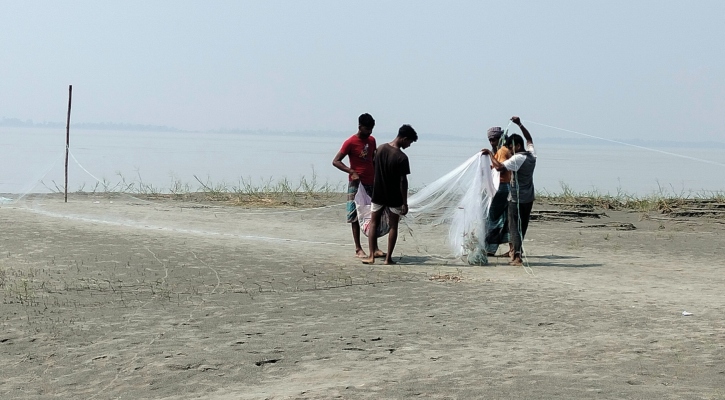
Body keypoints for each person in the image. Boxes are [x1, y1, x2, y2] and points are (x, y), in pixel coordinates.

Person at [481, 116, 536, 266]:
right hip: (529, 197)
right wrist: (520, 124)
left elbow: (499, 167)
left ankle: (517, 257)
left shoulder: (517, 159)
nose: (509, 151)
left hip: (516, 198)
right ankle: (516, 252)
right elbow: (529, 138)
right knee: (522, 226)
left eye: (511, 148)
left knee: (513, 227)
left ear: (517, 146)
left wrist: (489, 154)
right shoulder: (532, 154)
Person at [362, 124, 418, 265]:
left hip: (378, 192)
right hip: (394, 196)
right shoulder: (402, 157)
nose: (409, 145)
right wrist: (404, 203)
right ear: (404, 138)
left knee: (373, 223)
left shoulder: (380, 149)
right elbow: (403, 181)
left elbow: (374, 167)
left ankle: (371, 256)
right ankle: (388, 259)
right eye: (409, 142)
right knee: (394, 226)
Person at [332, 113, 384, 258]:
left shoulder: (372, 140)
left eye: (372, 129)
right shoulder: (350, 142)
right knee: (355, 215)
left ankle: (374, 248)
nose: (370, 132)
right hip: (356, 184)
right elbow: (336, 161)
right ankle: (358, 248)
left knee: (373, 214)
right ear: (360, 127)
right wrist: (351, 171)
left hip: (371, 183)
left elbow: (373, 159)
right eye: (367, 129)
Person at [483, 126, 512, 257]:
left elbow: (501, 168)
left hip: (502, 187)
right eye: (490, 139)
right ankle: (513, 249)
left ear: (500, 138)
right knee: (504, 219)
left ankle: (490, 248)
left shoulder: (502, 151)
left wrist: (489, 153)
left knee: (493, 218)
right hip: (502, 187)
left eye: (494, 139)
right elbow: (497, 166)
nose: (491, 142)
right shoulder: (502, 151)